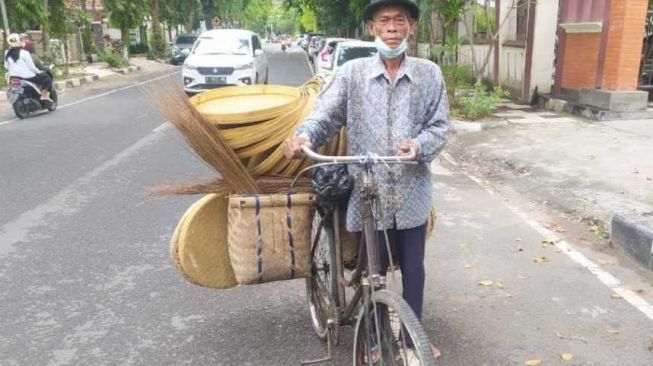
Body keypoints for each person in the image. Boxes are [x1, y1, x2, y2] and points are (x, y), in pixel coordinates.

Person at [283, 0, 448, 359]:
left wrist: (419, 145)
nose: (392, 28)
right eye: (384, 21)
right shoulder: (352, 73)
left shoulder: (429, 73)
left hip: (411, 190)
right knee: (370, 271)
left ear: (411, 27)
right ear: (372, 28)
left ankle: (410, 337)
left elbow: (440, 126)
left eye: (400, 21)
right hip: (367, 188)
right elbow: (325, 115)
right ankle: (372, 337)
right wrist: (305, 136)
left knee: (414, 270)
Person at [4, 33, 53, 101]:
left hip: (13, 77)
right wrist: (39, 72)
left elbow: (6, 66)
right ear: (18, 41)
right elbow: (32, 67)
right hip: (27, 77)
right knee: (47, 78)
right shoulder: (25, 53)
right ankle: (44, 95)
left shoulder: (6, 53)